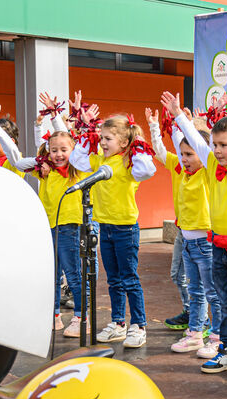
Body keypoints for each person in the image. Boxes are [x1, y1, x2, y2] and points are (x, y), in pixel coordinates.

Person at [164, 75, 227, 380]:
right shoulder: (211, 165)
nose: (217, 150)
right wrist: (178, 115)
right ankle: (226, 349)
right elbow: (195, 140)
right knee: (223, 301)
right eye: (215, 145)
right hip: (217, 247)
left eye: (223, 145)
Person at [0, 98, 87, 338]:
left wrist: (55, 115)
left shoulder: (77, 168)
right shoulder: (44, 169)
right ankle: (54, 315)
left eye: (63, 150)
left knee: (73, 273)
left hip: (69, 225)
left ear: (72, 150)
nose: (58, 154)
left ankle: (81, 317)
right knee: (51, 273)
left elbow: (70, 139)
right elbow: (16, 160)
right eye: (53, 150)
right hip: (48, 226)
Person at [69, 108, 157, 348]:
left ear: (124, 142)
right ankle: (118, 323)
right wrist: (87, 133)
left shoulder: (129, 163)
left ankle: (139, 325)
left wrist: (137, 146)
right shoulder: (100, 161)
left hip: (125, 228)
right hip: (104, 227)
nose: (103, 143)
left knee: (129, 279)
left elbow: (147, 170)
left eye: (108, 138)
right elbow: (76, 159)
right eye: (101, 138)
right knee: (113, 280)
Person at [147, 107, 221, 358]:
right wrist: (156, 127)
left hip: (205, 244)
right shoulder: (184, 173)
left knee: (213, 293)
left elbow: (203, 149)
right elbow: (162, 152)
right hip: (188, 242)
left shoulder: (208, 174)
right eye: (182, 154)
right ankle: (195, 334)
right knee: (196, 291)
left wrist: (182, 120)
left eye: (190, 154)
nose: (184, 159)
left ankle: (218, 338)